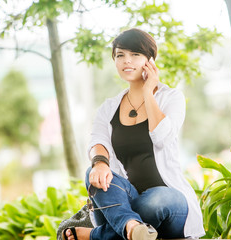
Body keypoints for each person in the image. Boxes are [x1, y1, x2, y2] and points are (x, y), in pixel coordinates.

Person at [63, 28, 205, 240]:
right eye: (120, 55)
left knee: (154, 200)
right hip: (124, 198)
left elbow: (162, 137)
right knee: (92, 172)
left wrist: (148, 91)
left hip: (169, 200)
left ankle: (96, 235)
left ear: (150, 60)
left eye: (135, 55)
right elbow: (98, 140)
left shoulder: (171, 98)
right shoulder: (108, 107)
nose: (126, 61)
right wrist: (100, 163)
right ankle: (132, 227)